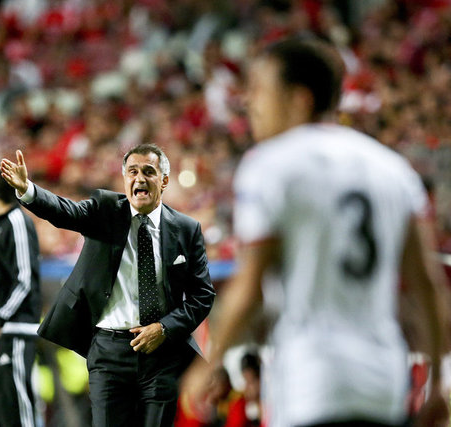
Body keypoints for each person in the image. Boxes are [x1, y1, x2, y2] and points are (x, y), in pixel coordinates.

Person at [181, 37, 450, 427]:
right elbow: (427, 284)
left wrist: (210, 361)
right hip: (383, 381)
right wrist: (437, 382)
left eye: (260, 90)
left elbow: (250, 286)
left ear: (299, 99)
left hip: (311, 379)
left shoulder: (269, 164)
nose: (249, 102)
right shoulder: (393, 169)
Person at [0, 143, 216, 427]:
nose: (139, 178)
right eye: (132, 171)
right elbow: (64, 211)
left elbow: (202, 296)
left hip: (161, 353)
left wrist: (164, 328)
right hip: (109, 352)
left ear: (164, 181)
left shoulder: (186, 229)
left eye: (148, 171)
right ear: (124, 178)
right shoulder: (105, 210)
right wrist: (28, 190)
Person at [0, 168, 41, 427]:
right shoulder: (0, 226)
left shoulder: (17, 221)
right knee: (2, 415)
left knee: (19, 413)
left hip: (11, 332)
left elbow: (25, 279)